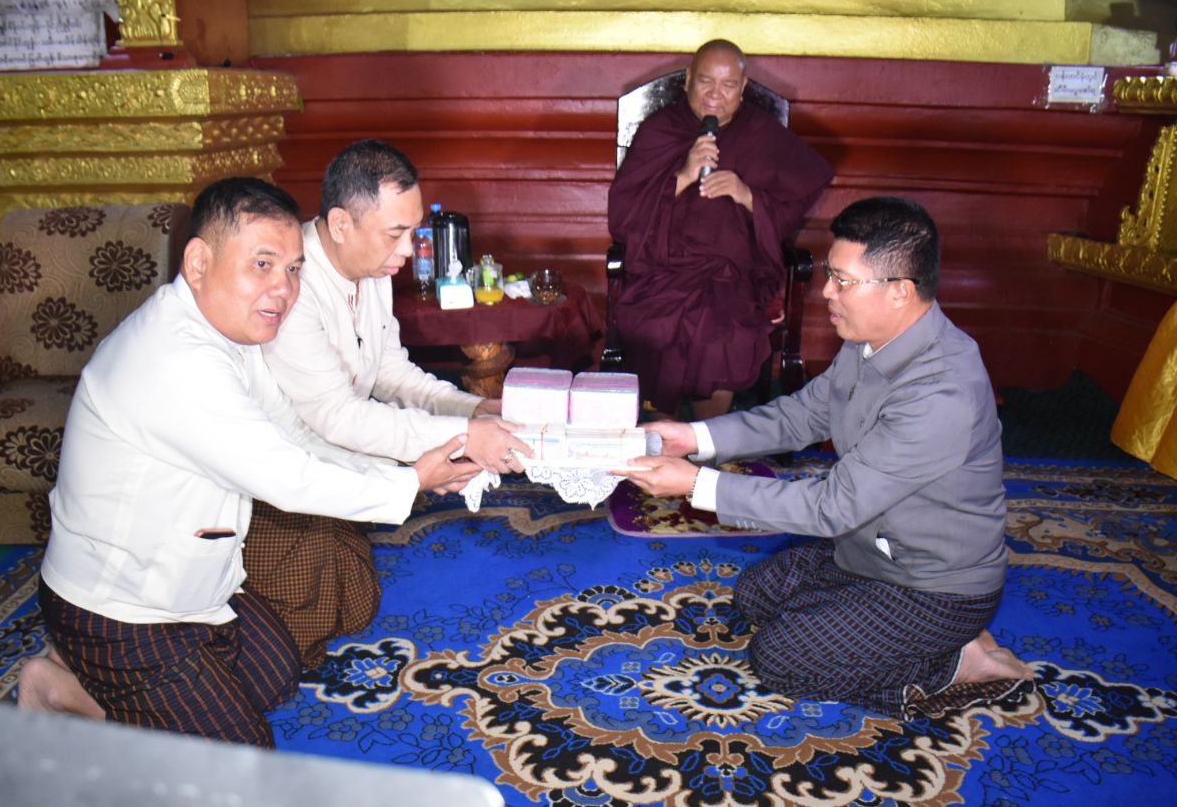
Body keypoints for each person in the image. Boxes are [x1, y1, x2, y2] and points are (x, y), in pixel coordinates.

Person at [18, 177, 480, 746]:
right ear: (198, 262)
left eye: (293, 269)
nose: (282, 289)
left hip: (198, 589)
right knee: (242, 760)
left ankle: (82, 688)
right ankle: (74, 682)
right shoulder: (176, 358)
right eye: (262, 265)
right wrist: (409, 483)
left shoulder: (229, 336)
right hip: (121, 612)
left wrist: (405, 476)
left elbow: (294, 437)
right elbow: (287, 478)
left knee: (276, 674)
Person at [619, 197, 1035, 719]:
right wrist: (692, 437)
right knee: (756, 596)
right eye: (829, 275)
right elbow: (802, 415)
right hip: (871, 551)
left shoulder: (941, 394)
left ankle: (951, 662)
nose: (826, 292)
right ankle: (904, 636)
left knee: (781, 659)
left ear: (900, 291)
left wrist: (694, 485)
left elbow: (831, 507)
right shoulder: (872, 340)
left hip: (933, 587)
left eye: (843, 280)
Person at [255, 140, 532, 666]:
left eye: (413, 232)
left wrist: (473, 410)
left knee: (355, 600)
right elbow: (337, 416)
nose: (409, 251)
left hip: (342, 454)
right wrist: (462, 440)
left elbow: (390, 372)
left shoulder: (370, 270)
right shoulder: (292, 284)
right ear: (341, 223)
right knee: (295, 636)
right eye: (395, 234)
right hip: (277, 475)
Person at [608, 38, 834, 420]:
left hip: (731, 276)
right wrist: (681, 176)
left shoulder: (761, 135)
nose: (716, 94)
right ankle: (665, 433)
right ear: (688, 80)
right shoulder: (661, 130)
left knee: (722, 337)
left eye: (729, 85)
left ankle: (707, 435)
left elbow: (793, 201)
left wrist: (747, 195)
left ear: (743, 89)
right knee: (654, 327)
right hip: (661, 273)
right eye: (706, 81)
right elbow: (622, 216)